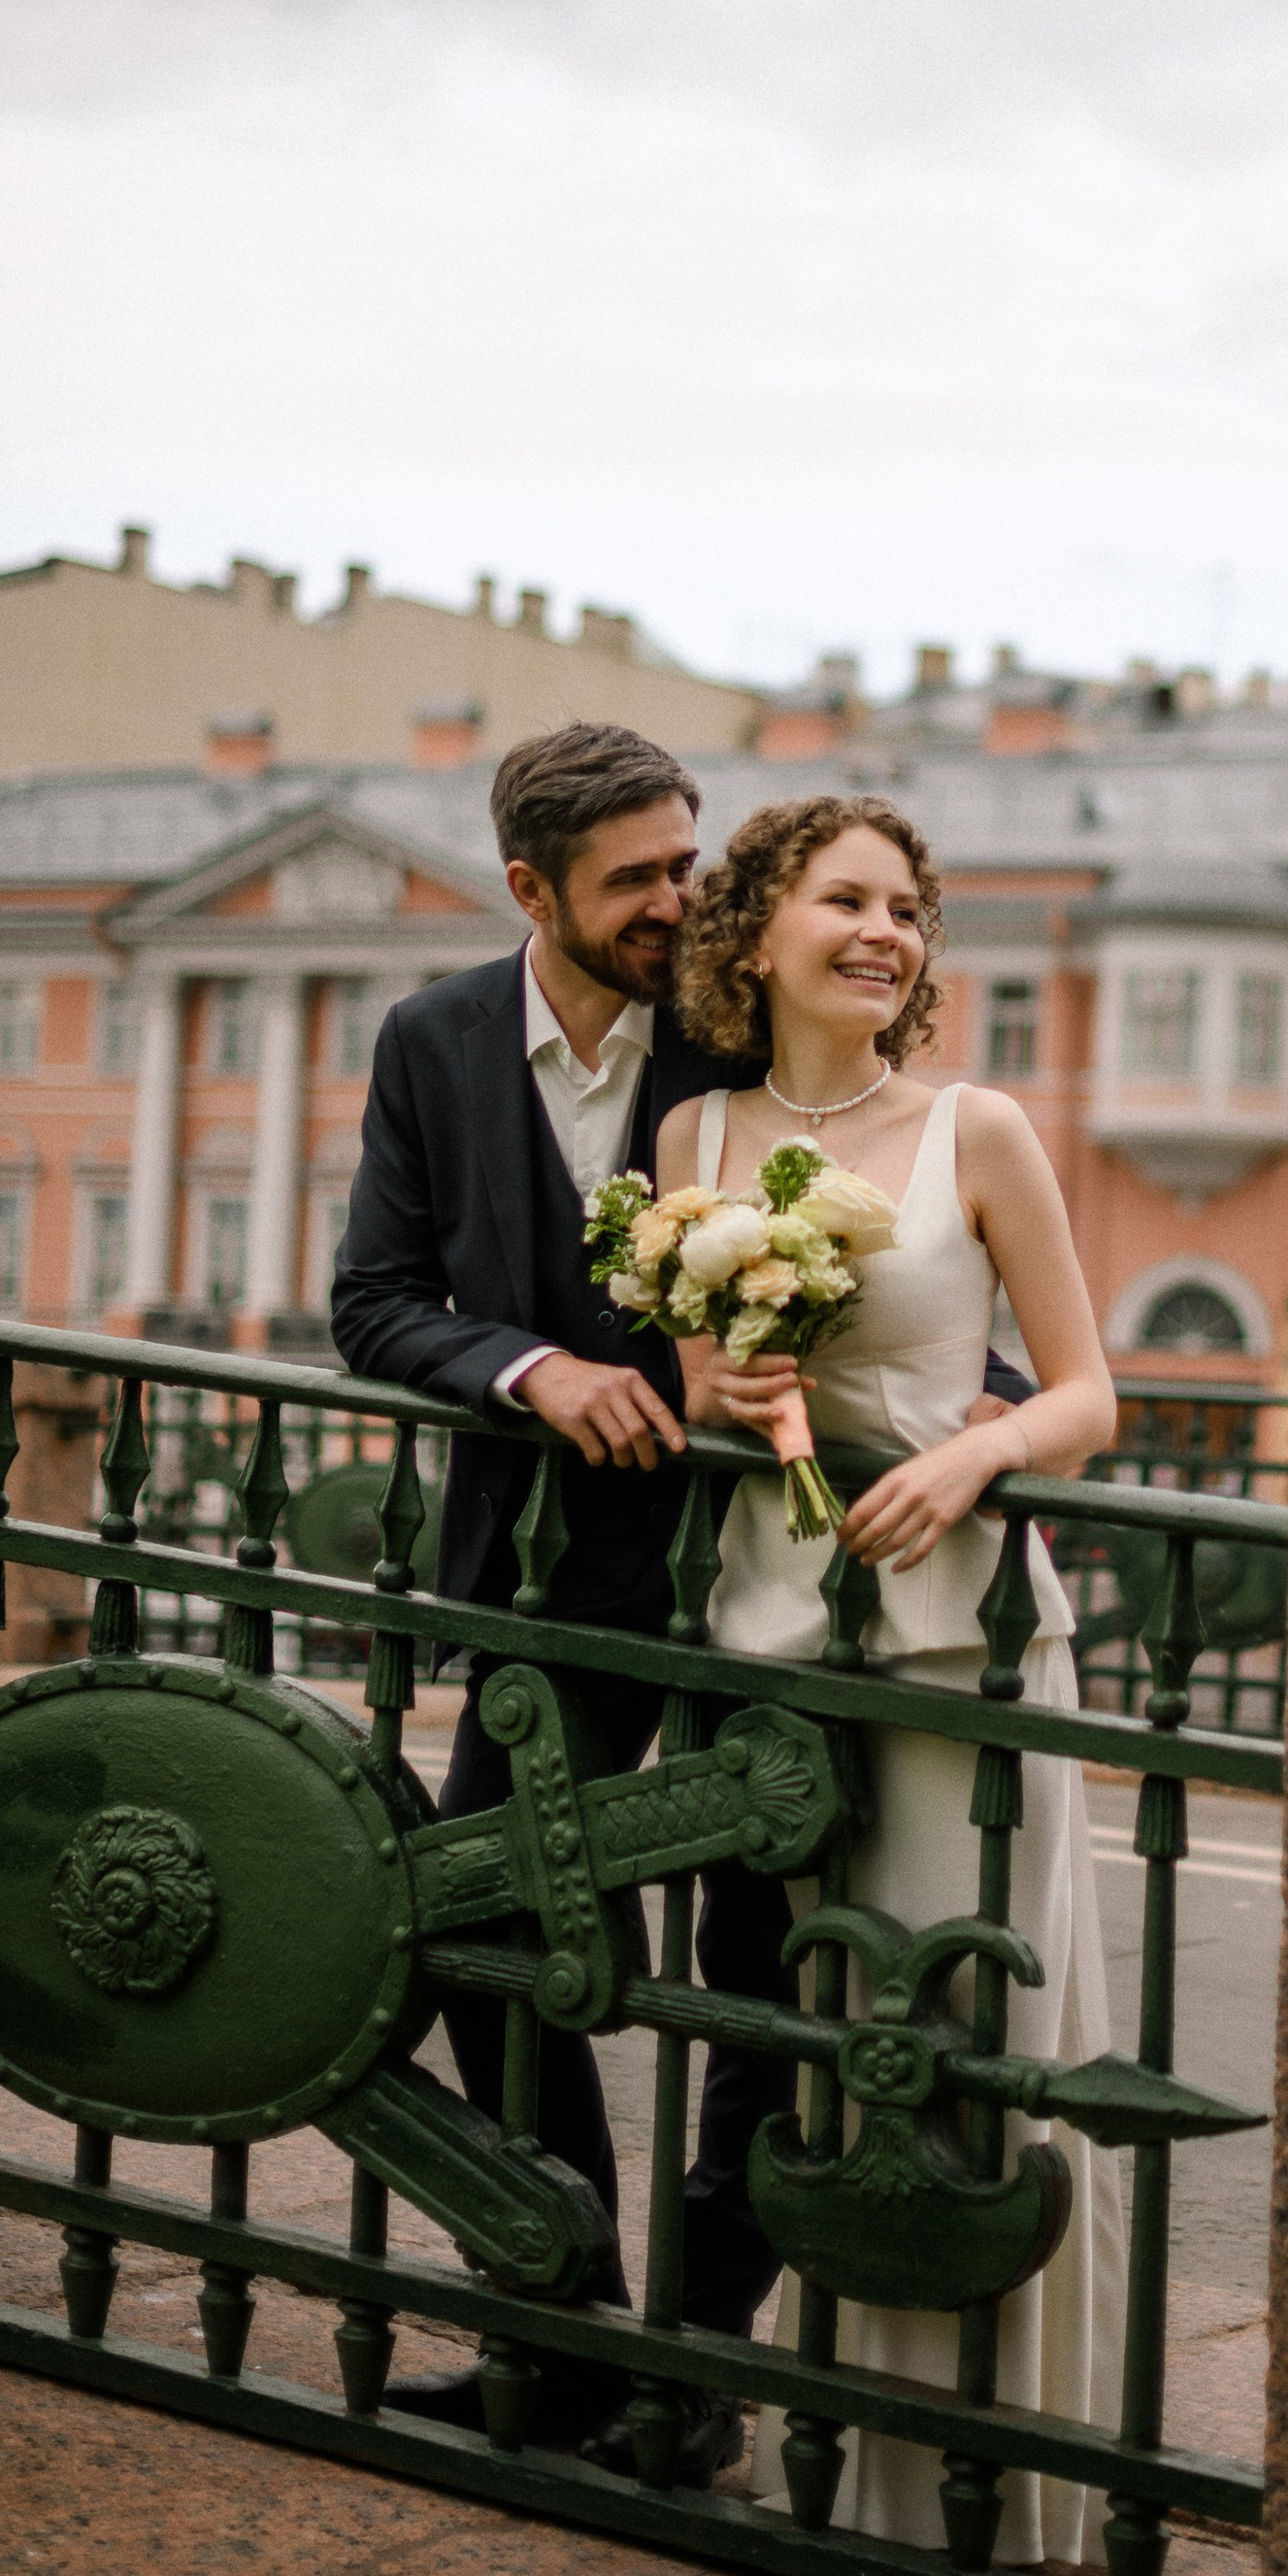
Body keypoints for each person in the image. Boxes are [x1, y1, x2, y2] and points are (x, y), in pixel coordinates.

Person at [329, 721, 1029, 2477]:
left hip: (747, 1577)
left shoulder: (729, 1034)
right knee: (500, 1936)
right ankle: (552, 2326)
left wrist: (997, 1413)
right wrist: (529, 1371)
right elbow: (375, 1300)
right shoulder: (429, 1042)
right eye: (635, 876)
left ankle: (695, 2377)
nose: (677, 899)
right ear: (529, 890)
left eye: (686, 862)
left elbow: (895, 1241)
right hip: (539, 1582)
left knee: (746, 1969)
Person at [658, 792, 1126, 2565]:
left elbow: (1088, 1393)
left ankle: (1006, 2495)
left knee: (971, 2047)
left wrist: (975, 1463)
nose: (885, 933)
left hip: (961, 1642)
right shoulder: (697, 1136)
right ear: (758, 929)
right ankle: (862, 2468)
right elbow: (705, 1371)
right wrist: (734, 1392)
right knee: (833, 2064)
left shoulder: (978, 1130)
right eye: (844, 900)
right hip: (772, 1640)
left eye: (908, 911)